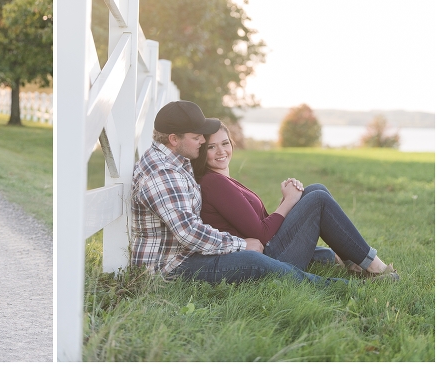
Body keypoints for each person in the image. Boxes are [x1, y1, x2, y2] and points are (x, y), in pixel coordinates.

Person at [131, 100, 346, 285]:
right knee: (252, 261)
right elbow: (188, 233)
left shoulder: (177, 160)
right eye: (197, 137)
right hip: (172, 266)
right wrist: (241, 245)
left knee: (315, 193)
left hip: (189, 253)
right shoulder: (162, 173)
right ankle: (331, 286)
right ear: (173, 139)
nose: (203, 141)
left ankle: (335, 258)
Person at [193, 121, 399, 280]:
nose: (221, 151)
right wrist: (289, 202)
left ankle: (352, 262)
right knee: (318, 199)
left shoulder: (222, 180)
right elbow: (260, 234)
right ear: (202, 152)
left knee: (315, 189)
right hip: (269, 259)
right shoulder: (214, 183)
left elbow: (257, 223)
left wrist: (287, 201)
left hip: (269, 249)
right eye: (211, 147)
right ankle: (375, 268)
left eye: (225, 143)